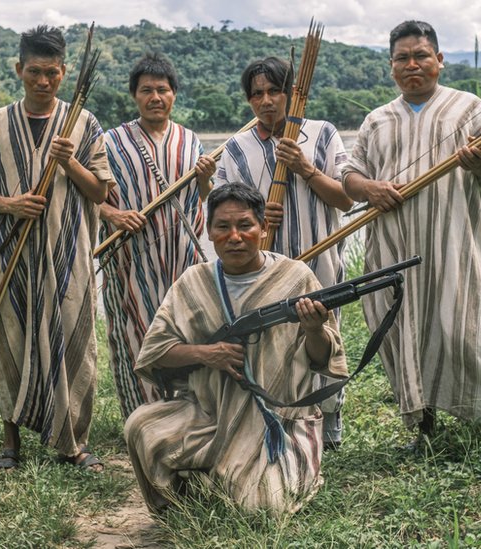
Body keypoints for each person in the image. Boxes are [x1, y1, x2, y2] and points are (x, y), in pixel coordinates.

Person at [341, 20, 481, 459]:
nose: (412, 65)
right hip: (393, 248)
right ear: (391, 68)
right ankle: (423, 427)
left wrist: (478, 162)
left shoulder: (469, 110)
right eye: (402, 58)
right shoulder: (377, 120)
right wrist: (370, 189)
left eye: (421, 55)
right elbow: (348, 175)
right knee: (402, 329)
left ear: (439, 61)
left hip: (456, 246)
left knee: (470, 330)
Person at [124, 183, 348, 514]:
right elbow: (156, 352)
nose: (235, 237)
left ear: (263, 227)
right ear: (208, 231)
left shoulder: (295, 278)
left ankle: (223, 478)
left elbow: (322, 359)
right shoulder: (193, 282)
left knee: (261, 507)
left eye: (245, 225)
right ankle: (181, 501)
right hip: (209, 414)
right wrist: (205, 354)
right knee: (141, 427)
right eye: (223, 227)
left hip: (277, 423)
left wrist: (314, 329)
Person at [0, 25, 114, 471]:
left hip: (70, 257)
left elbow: (101, 193)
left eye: (51, 73)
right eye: (33, 72)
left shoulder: (83, 123)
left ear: (64, 72)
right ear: (18, 69)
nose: (42, 82)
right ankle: (11, 444)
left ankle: (74, 443)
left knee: (73, 341)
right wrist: (10, 204)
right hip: (13, 257)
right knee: (11, 339)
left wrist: (69, 162)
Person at [213, 56, 353, 450]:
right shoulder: (236, 149)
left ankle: (328, 419)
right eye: (257, 94)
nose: (267, 101)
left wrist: (305, 169)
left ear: (293, 94)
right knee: (268, 342)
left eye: (275, 91)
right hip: (263, 268)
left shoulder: (321, 134)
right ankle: (273, 420)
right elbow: (221, 210)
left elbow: (344, 198)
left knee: (322, 337)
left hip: (318, 260)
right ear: (249, 101)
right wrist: (255, 214)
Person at [99, 53, 217, 421]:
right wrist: (114, 214)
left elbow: (204, 197)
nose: (155, 97)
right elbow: (90, 197)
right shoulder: (111, 141)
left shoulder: (190, 139)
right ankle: (141, 417)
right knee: (135, 331)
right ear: (134, 95)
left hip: (183, 257)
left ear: (174, 95)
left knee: (187, 333)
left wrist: (204, 176)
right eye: (146, 90)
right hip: (132, 260)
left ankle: (186, 414)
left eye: (162, 90)